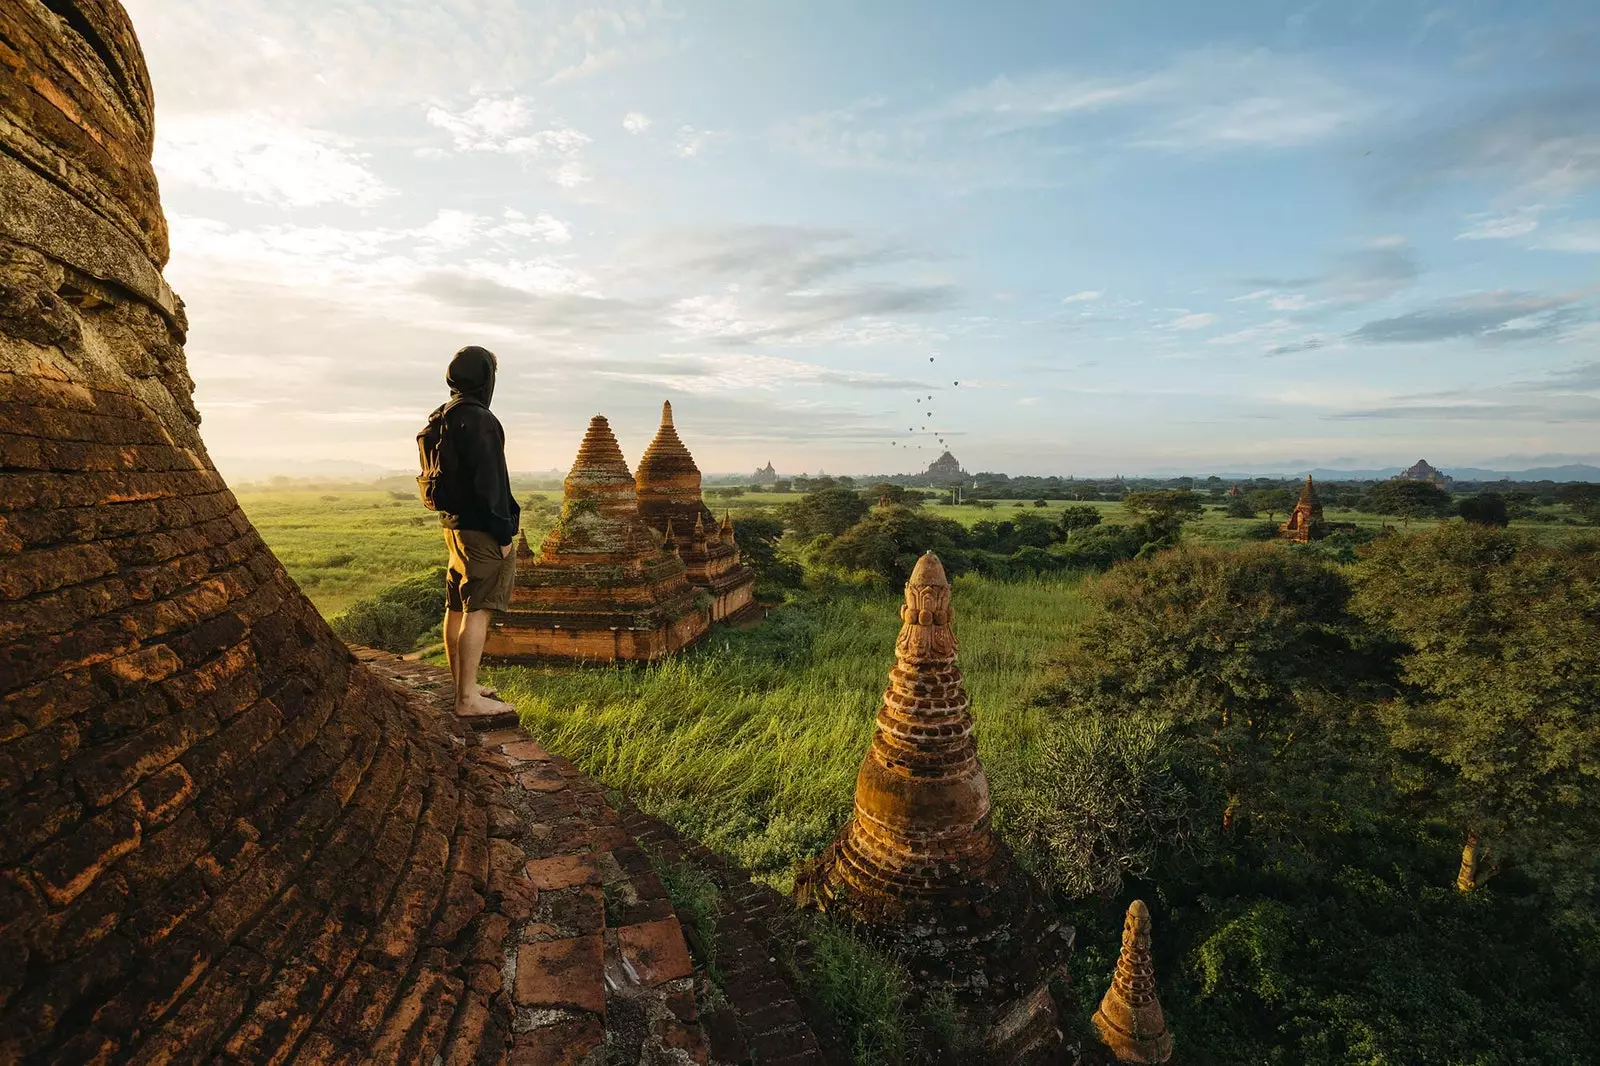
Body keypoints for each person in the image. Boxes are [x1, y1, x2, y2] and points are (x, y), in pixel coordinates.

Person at [433, 345, 520, 719]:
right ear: (487, 378)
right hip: (482, 530)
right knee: (479, 610)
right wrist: (503, 536)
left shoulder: (443, 416)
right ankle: (467, 700)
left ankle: (462, 686)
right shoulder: (481, 419)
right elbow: (491, 485)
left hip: (454, 527)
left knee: (457, 607)